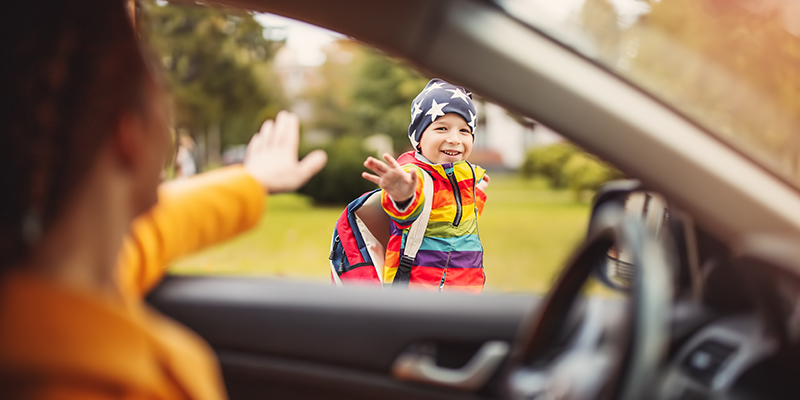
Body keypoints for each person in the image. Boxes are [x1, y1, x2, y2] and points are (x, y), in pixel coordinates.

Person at [0, 1, 327, 398]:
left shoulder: (55, 283)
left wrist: (252, 181)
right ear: (130, 132)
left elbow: (156, 227)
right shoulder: (126, 383)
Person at [362, 79, 490, 292]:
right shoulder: (414, 175)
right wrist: (402, 196)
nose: (454, 139)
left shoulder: (465, 175)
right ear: (419, 138)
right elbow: (406, 211)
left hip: (466, 291)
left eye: (464, 131)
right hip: (418, 293)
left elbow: (457, 220)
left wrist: (476, 195)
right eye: (442, 128)